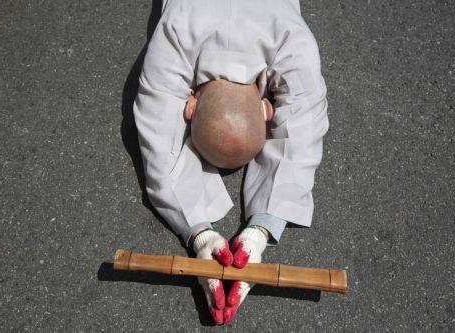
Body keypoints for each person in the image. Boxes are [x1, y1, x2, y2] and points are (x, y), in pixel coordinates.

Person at [133, 0, 329, 325]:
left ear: (190, 107)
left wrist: (254, 234)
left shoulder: (177, 31)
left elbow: (160, 141)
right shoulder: (294, 44)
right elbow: (302, 128)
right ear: (268, 110)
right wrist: (202, 235)